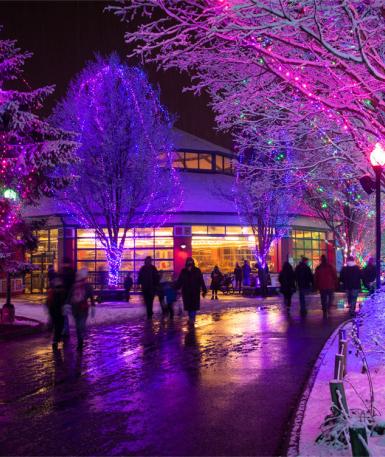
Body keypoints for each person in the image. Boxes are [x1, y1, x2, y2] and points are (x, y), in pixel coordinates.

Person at [175, 257, 207, 325]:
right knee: (189, 307)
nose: (190, 264)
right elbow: (180, 281)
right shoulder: (184, 271)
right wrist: (176, 287)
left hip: (195, 291)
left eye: (191, 262)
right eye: (188, 262)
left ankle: (192, 319)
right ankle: (191, 318)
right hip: (186, 292)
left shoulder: (197, 271)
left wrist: (204, 289)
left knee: (194, 306)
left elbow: (201, 280)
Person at [69, 269, 95, 350]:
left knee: (80, 325)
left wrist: (93, 306)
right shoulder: (75, 286)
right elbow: (70, 296)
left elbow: (91, 296)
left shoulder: (86, 286)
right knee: (78, 325)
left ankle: (80, 340)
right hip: (76, 308)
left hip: (82, 308)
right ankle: (80, 339)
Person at [46, 277, 67, 350]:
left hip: (54, 311)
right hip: (59, 312)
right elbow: (64, 301)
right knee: (59, 326)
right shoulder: (61, 292)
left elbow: (48, 302)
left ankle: (55, 340)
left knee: (57, 325)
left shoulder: (52, 292)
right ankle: (56, 340)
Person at [60, 257, 76, 338]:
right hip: (68, 295)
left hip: (66, 295)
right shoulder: (70, 272)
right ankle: (67, 329)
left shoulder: (64, 272)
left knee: (65, 313)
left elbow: (65, 283)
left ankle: (66, 330)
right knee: (66, 312)